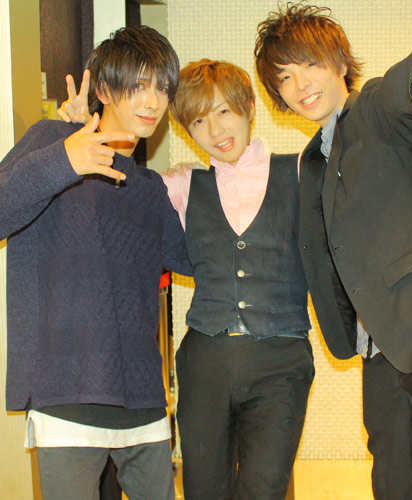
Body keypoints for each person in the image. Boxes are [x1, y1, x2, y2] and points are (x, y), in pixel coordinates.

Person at [254, 3, 412, 499]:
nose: (300, 84)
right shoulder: (314, 159)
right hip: (383, 350)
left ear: (339, 62)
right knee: (391, 484)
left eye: (309, 64)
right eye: (284, 77)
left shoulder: (369, 114)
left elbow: (401, 95)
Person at [0, 26, 191, 500]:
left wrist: (220, 178)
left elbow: (194, 260)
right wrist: (62, 157)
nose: (153, 101)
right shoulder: (53, 143)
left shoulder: (148, 188)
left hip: (143, 397)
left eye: (162, 88)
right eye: (137, 85)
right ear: (103, 89)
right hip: (67, 391)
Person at [60, 59, 314, 500]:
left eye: (224, 111)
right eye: (198, 121)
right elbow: (117, 193)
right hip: (205, 363)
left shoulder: (300, 172)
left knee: (264, 488)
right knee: (202, 490)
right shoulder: (181, 184)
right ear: (185, 130)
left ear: (249, 107)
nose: (215, 130)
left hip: (281, 362)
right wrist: (84, 136)